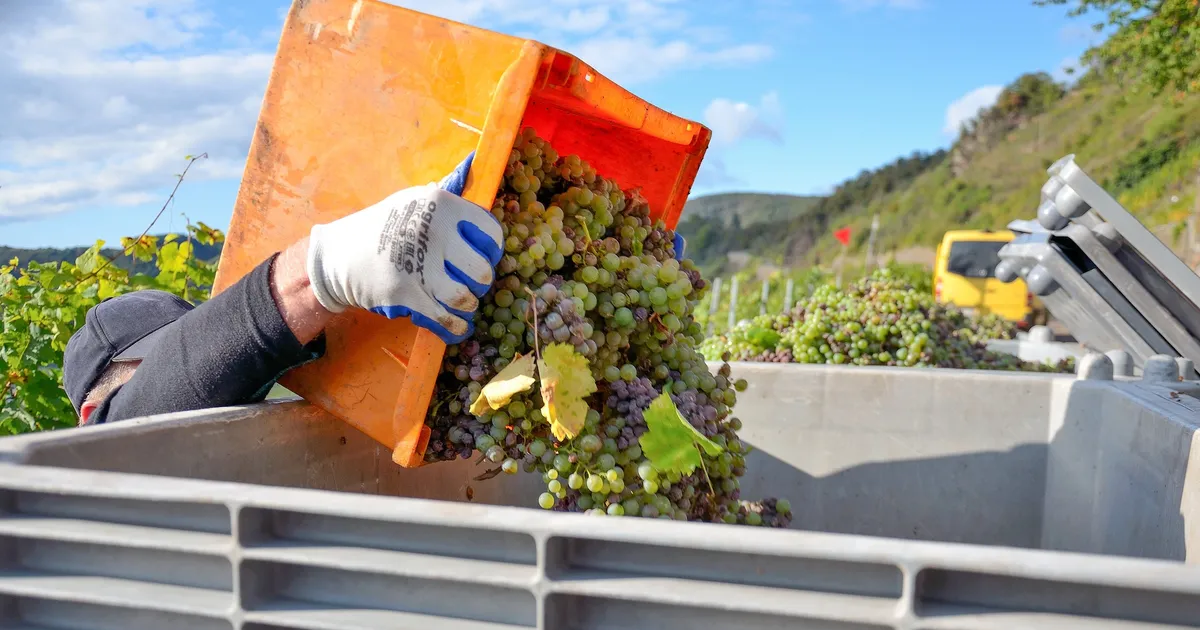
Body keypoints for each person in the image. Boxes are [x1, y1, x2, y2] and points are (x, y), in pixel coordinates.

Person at [62, 154, 503, 426]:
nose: (224, 374)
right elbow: (132, 423)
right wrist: (319, 273)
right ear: (90, 415)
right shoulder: (88, 489)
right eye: (160, 359)